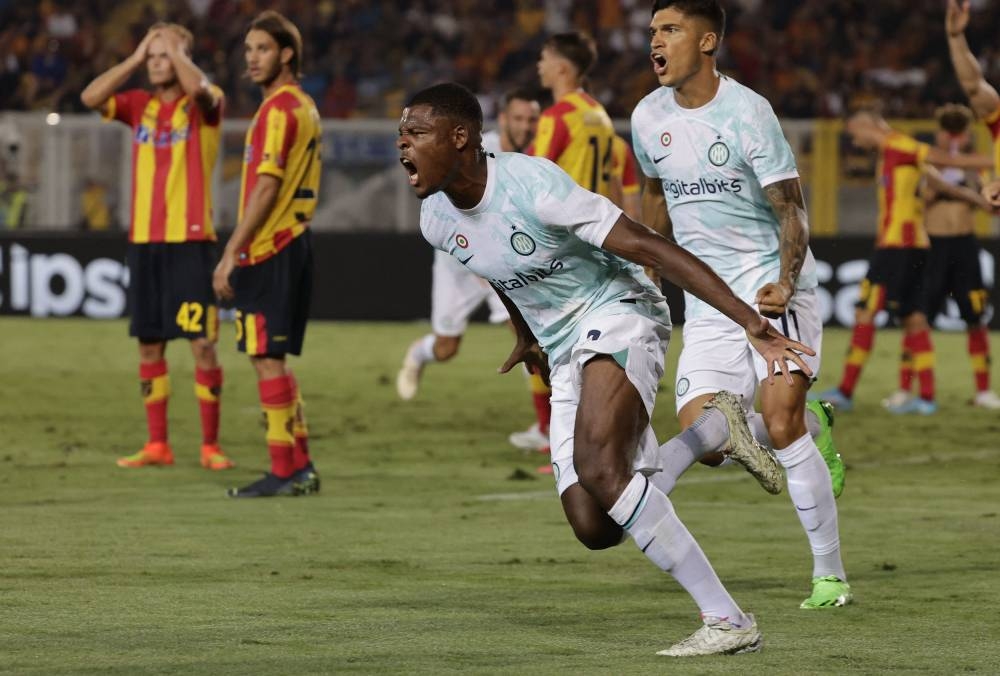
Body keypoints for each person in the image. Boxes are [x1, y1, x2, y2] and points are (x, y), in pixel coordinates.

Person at [398, 81, 816, 656]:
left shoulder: (533, 185)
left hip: (620, 310)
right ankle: (712, 430)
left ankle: (728, 619)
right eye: (402, 134)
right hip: (562, 344)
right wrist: (524, 334)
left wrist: (750, 322)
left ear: (460, 137)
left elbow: (650, 247)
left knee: (600, 465)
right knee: (595, 526)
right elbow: (495, 265)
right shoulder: (436, 221)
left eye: (416, 133)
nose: (402, 146)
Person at [632, 0, 852, 608]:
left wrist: (785, 281)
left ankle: (829, 576)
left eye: (670, 30)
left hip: (770, 288)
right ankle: (818, 425)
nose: (656, 41)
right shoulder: (647, 117)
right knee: (706, 438)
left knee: (777, 423)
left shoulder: (749, 113)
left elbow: (791, 209)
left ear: (707, 43)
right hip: (709, 299)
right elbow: (652, 197)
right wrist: (649, 273)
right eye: (653, 31)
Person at [81, 23, 233, 471]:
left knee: (202, 344)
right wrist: (136, 57)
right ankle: (157, 445)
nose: (156, 62)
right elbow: (90, 98)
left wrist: (176, 50)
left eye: (164, 55)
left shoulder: (206, 103)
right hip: (145, 242)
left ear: (184, 56)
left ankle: (210, 445)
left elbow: (202, 90)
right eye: (153, 57)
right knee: (149, 345)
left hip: (191, 242)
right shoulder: (137, 106)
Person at [818, 110, 992, 415]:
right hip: (915, 246)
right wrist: (978, 200)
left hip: (898, 247)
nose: (855, 142)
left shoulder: (899, 145)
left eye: (854, 134)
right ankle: (925, 397)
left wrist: (994, 164)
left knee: (865, 311)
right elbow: (942, 182)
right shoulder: (894, 152)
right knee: (913, 318)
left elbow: (946, 160)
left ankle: (845, 391)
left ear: (866, 125)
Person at [212, 10, 320, 498]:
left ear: (286, 53)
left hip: (270, 245)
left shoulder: (279, 110)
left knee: (264, 357)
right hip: (294, 242)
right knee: (272, 356)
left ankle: (283, 471)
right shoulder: (303, 106)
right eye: (248, 50)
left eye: (261, 49)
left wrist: (231, 251)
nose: (251, 59)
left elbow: (266, 187)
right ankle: (300, 465)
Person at [396, 88, 541, 403]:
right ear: (503, 120)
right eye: (518, 118)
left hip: (501, 254)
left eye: (532, 119)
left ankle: (544, 426)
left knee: (526, 333)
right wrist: (474, 257)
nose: (525, 126)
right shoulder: (477, 147)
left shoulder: (536, 155)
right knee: (447, 347)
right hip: (457, 255)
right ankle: (418, 355)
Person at [518, 31, 619, 457]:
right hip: (595, 240)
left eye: (544, 59)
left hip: (560, 245)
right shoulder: (599, 114)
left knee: (551, 345)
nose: (539, 66)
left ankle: (562, 440)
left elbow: (532, 179)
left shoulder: (557, 116)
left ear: (561, 67)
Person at [908, 105, 999, 410]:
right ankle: (917, 392)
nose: (951, 138)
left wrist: (969, 176)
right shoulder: (926, 161)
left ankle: (984, 391)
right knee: (919, 319)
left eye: (956, 132)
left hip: (965, 247)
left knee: (975, 318)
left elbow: (989, 201)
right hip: (933, 248)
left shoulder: (976, 167)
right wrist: (949, 178)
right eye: (947, 132)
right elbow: (923, 197)